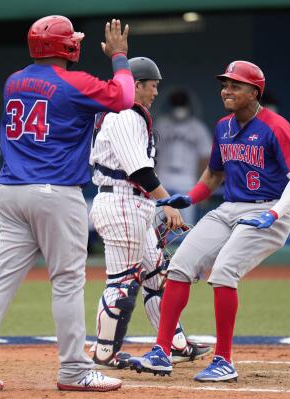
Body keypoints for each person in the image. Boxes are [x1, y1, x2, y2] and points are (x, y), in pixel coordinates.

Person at [0, 16, 134, 393]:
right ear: (66, 47)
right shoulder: (76, 82)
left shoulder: (14, 80)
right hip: (54, 192)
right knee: (67, 282)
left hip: (11, 191)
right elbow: (125, 97)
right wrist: (118, 57)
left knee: (1, 280)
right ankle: (74, 369)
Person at [127, 60, 290, 382]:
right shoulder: (223, 126)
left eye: (235, 85)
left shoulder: (275, 126)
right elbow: (214, 174)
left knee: (224, 271)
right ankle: (161, 351)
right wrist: (190, 197)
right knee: (181, 264)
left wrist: (274, 214)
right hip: (229, 208)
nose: (227, 90)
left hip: (266, 211)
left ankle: (224, 360)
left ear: (254, 91)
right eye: (225, 85)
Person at [88, 57, 212, 370]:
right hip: (120, 202)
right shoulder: (125, 115)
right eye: (152, 85)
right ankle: (104, 354)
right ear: (136, 85)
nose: (156, 92)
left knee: (156, 273)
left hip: (133, 204)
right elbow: (140, 171)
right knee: (122, 283)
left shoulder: (130, 115)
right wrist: (167, 203)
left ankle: (174, 343)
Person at [154, 89, 212, 224]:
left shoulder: (198, 127)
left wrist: (202, 185)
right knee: (155, 222)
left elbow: (205, 158)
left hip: (186, 179)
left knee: (185, 225)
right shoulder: (161, 124)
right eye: (176, 104)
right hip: (163, 178)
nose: (179, 108)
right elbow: (153, 154)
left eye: (181, 104)